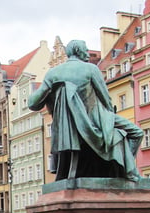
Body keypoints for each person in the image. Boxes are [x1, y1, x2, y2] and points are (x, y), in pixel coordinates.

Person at [28, 39, 143, 181]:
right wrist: (108, 121)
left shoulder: (53, 73)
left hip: (67, 129)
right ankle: (125, 171)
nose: (88, 54)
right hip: (94, 120)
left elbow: (33, 104)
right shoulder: (91, 69)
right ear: (77, 51)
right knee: (137, 132)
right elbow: (105, 99)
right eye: (85, 50)